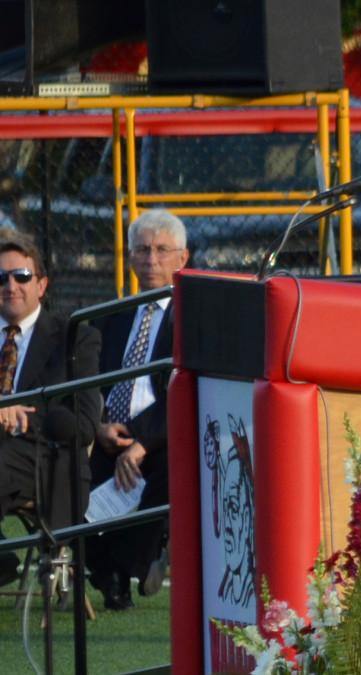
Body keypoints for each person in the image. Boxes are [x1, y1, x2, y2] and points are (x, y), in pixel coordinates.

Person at [86, 209, 189, 610]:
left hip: (160, 435)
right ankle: (108, 573)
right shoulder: (111, 317)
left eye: (163, 250)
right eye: (143, 250)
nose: (152, 260)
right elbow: (91, 380)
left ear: (182, 259)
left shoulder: (189, 316)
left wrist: (141, 442)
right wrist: (97, 427)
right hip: (107, 431)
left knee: (160, 474)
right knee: (74, 478)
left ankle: (138, 563)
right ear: (130, 258)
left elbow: (182, 390)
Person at [0, 230, 101, 586]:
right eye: (2, 278)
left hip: (40, 454)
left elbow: (84, 424)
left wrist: (22, 416)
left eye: (21, 276)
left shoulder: (73, 337)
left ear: (41, 285)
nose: (11, 285)